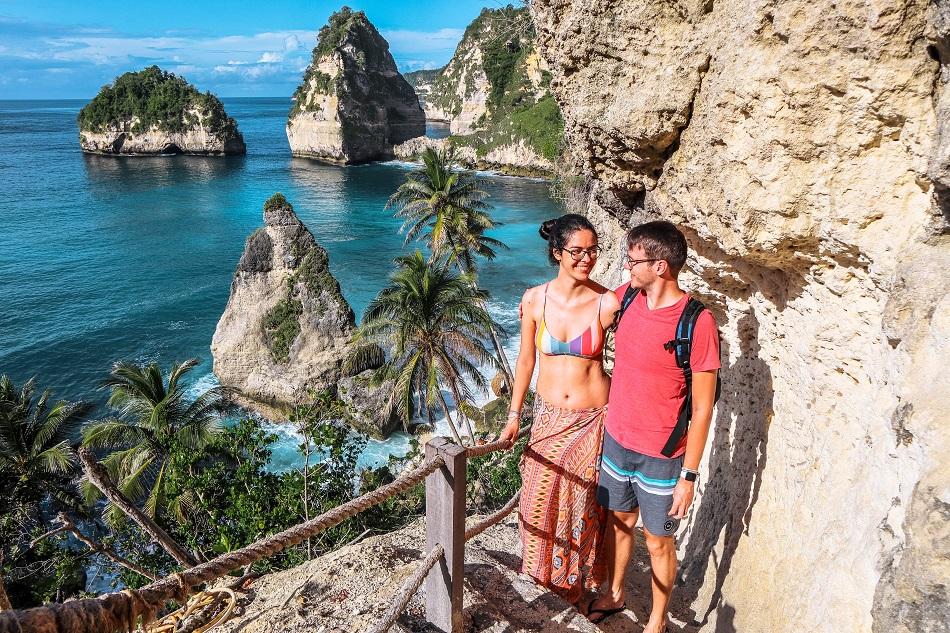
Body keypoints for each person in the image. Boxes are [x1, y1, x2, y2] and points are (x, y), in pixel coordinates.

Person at [586, 221, 720, 630]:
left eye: (633, 260)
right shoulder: (627, 297)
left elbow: (703, 409)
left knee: (659, 541)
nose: (626, 266)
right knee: (619, 523)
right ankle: (614, 593)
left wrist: (689, 476)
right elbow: (580, 303)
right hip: (617, 440)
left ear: (660, 266)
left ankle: (656, 622)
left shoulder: (698, 322)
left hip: (662, 456)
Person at [498, 213, 621, 606]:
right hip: (549, 420)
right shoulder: (535, 299)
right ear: (557, 253)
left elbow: (634, 356)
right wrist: (514, 415)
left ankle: (574, 591)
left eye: (593, 251)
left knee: (580, 511)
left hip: (592, 421)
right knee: (536, 503)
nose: (587, 259)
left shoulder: (608, 302)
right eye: (578, 251)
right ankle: (541, 586)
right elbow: (525, 363)